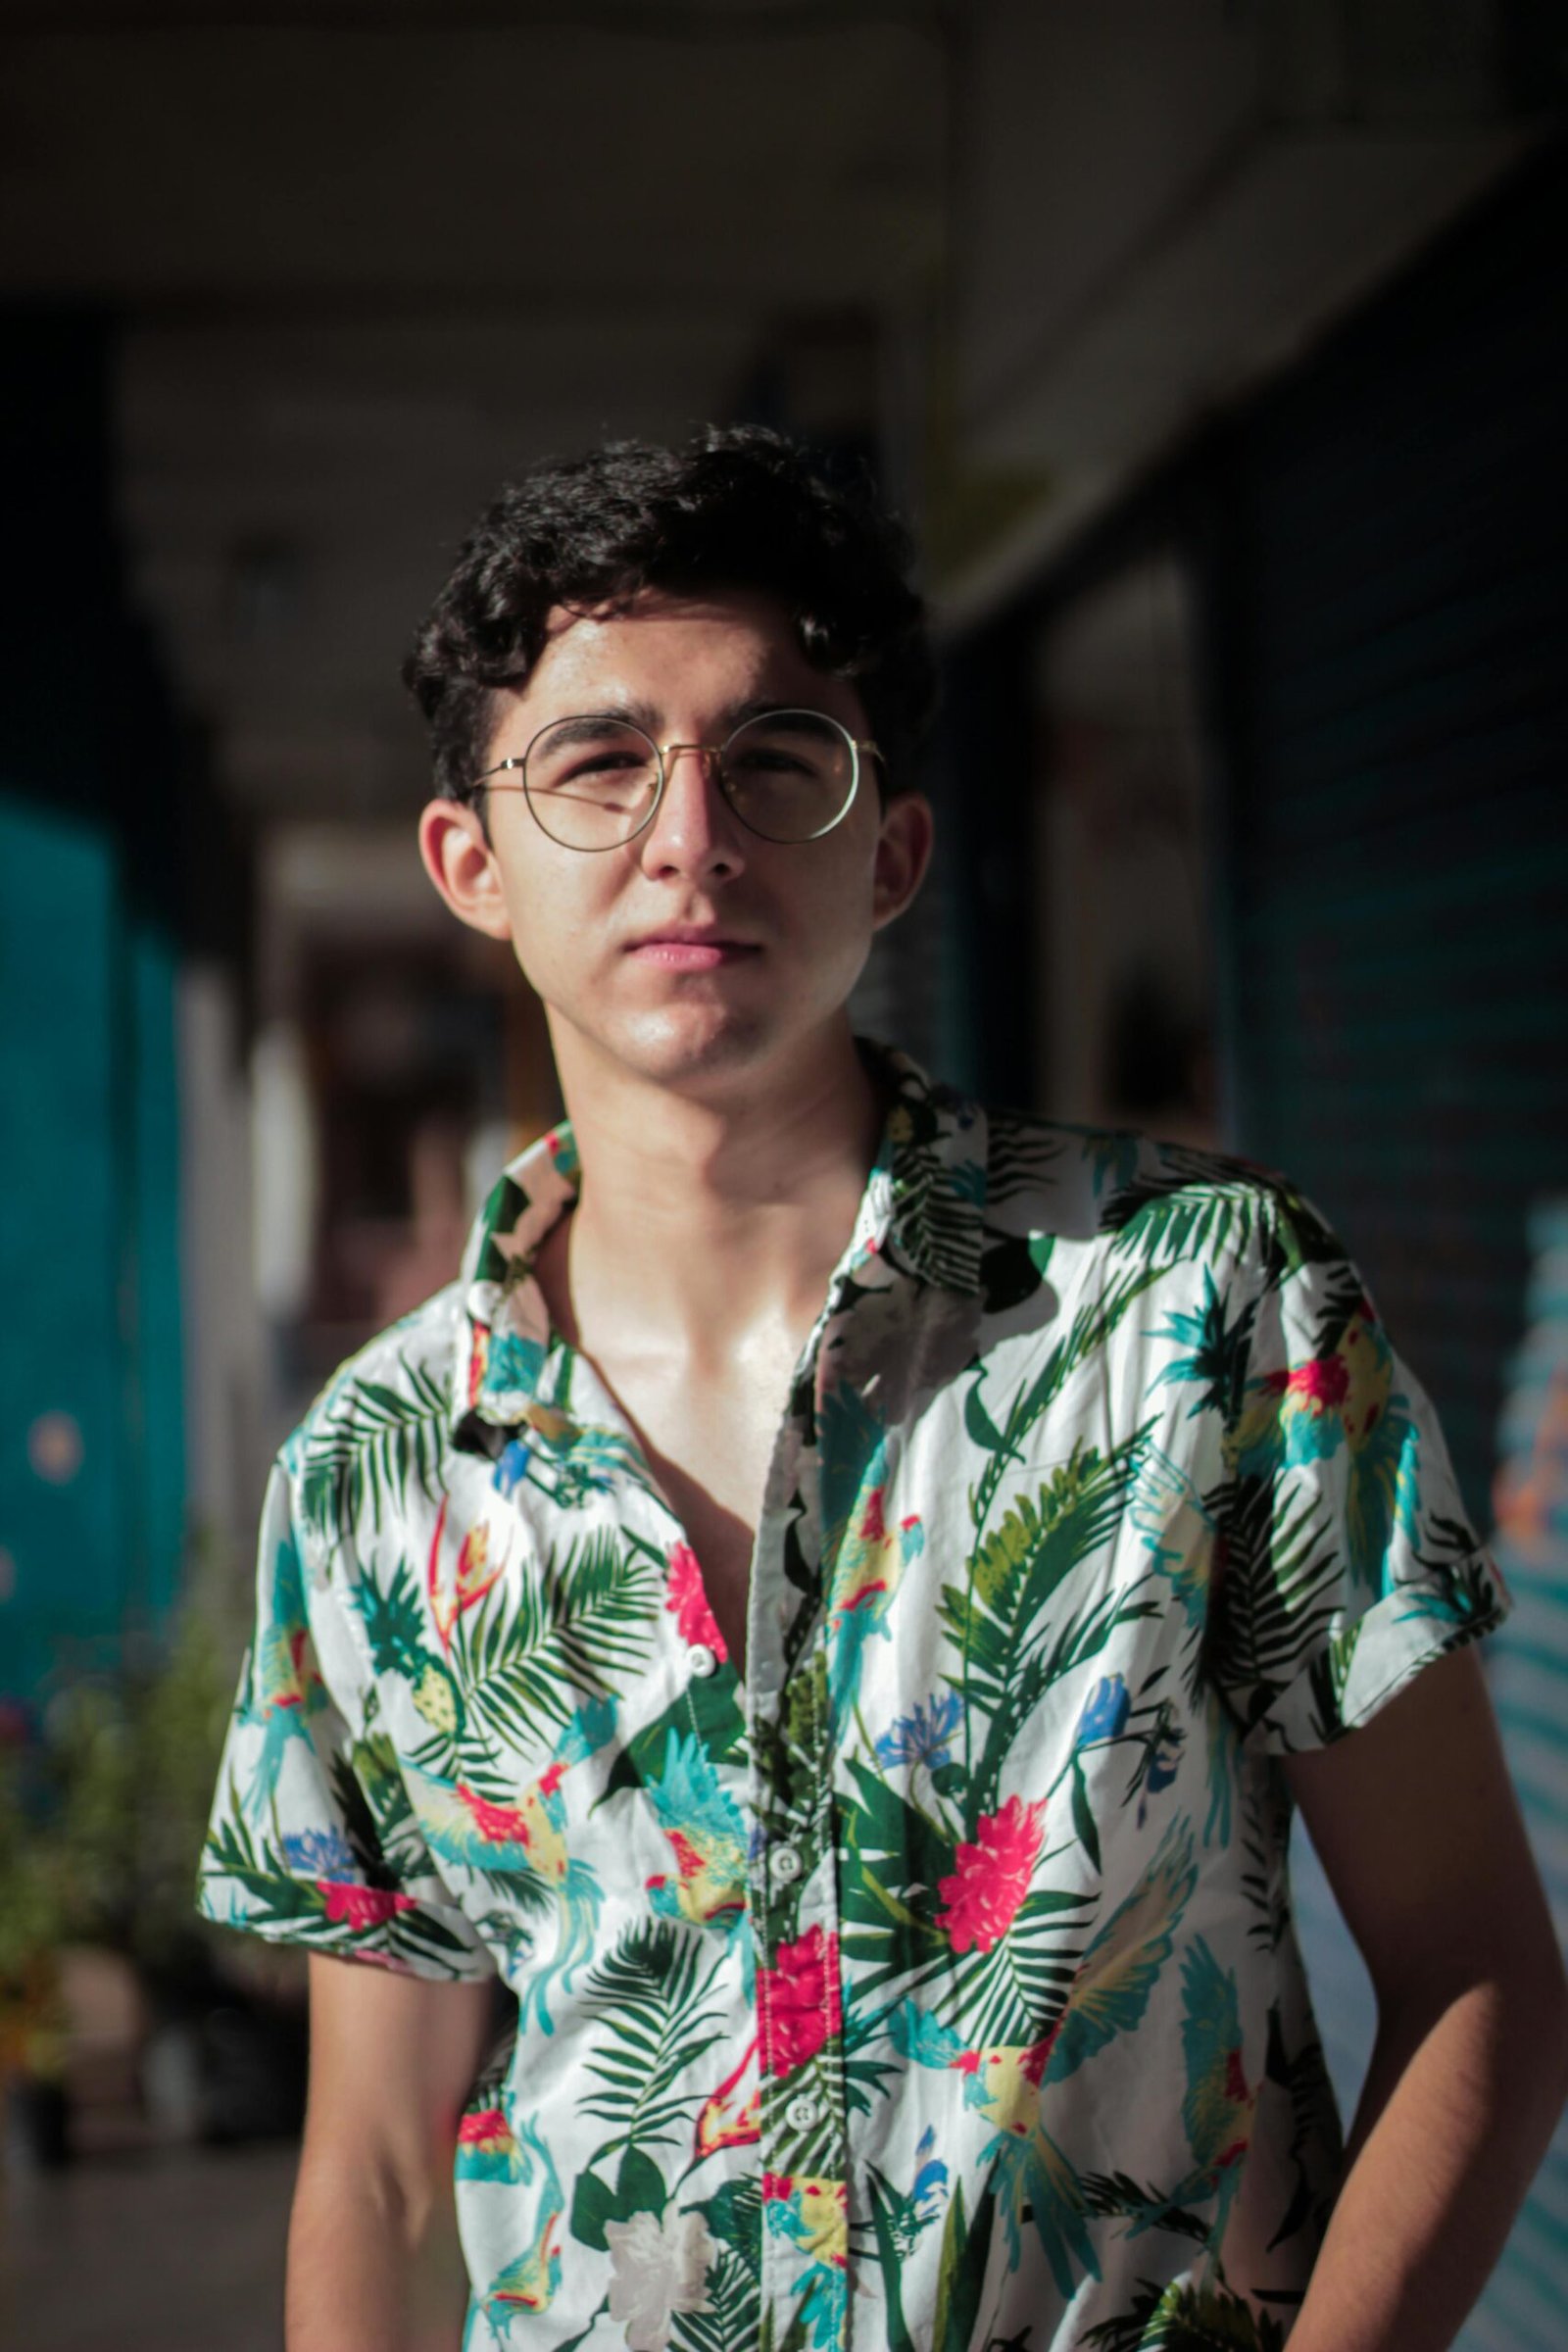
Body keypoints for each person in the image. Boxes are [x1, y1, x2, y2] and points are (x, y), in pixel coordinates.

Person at [197, 426, 1567, 2352]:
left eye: (776, 759)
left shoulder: (1203, 1309)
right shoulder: (373, 1472)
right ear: (470, 865)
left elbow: (1475, 1971)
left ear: (893, 852)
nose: (691, 835)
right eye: (598, 761)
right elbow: (378, 2172)